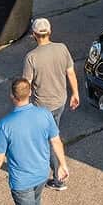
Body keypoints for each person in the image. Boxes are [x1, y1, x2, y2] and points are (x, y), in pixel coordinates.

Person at [22, 18, 79, 191]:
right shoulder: (62, 48)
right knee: (53, 134)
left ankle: (58, 178)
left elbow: (26, 84)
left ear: (34, 35)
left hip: (42, 107)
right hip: (60, 101)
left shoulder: (31, 57)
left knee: (50, 141)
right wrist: (75, 93)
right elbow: (70, 72)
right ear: (50, 32)